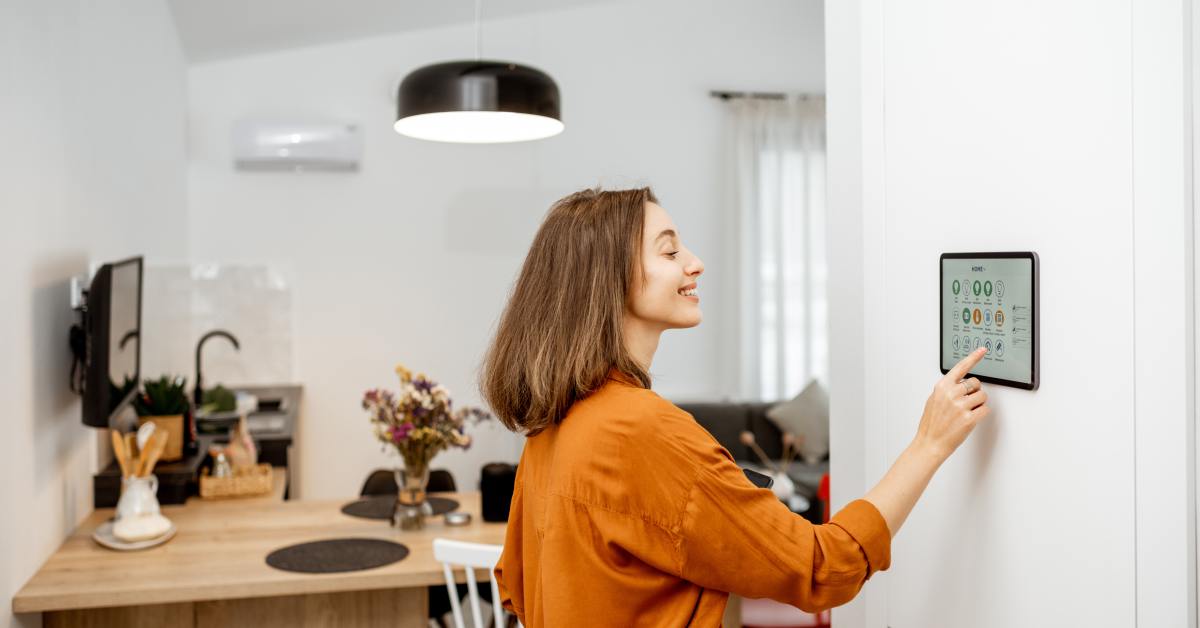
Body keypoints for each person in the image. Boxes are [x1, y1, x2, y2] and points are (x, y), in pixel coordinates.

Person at [480, 187, 991, 627]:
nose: (694, 262)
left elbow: (521, 588)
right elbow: (821, 566)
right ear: (607, 279)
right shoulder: (643, 430)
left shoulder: (551, 424)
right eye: (668, 251)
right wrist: (929, 443)